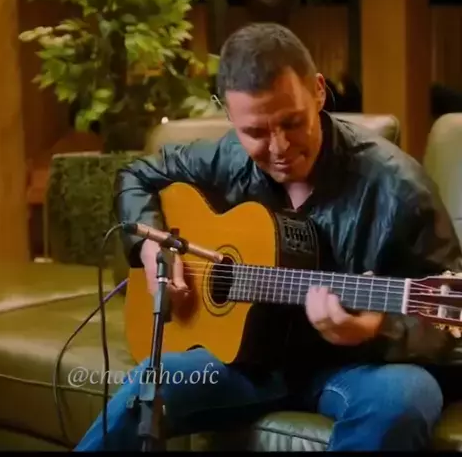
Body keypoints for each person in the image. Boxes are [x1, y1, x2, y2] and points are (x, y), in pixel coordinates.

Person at [75, 22, 462, 451]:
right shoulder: (228, 157)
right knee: (146, 387)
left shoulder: (398, 187)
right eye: (256, 133)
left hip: (353, 367)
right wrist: (153, 247)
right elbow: (137, 175)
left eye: (292, 123)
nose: (279, 148)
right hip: (249, 360)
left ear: (318, 92)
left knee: (403, 399)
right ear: (230, 115)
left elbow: (451, 324)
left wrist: (378, 328)